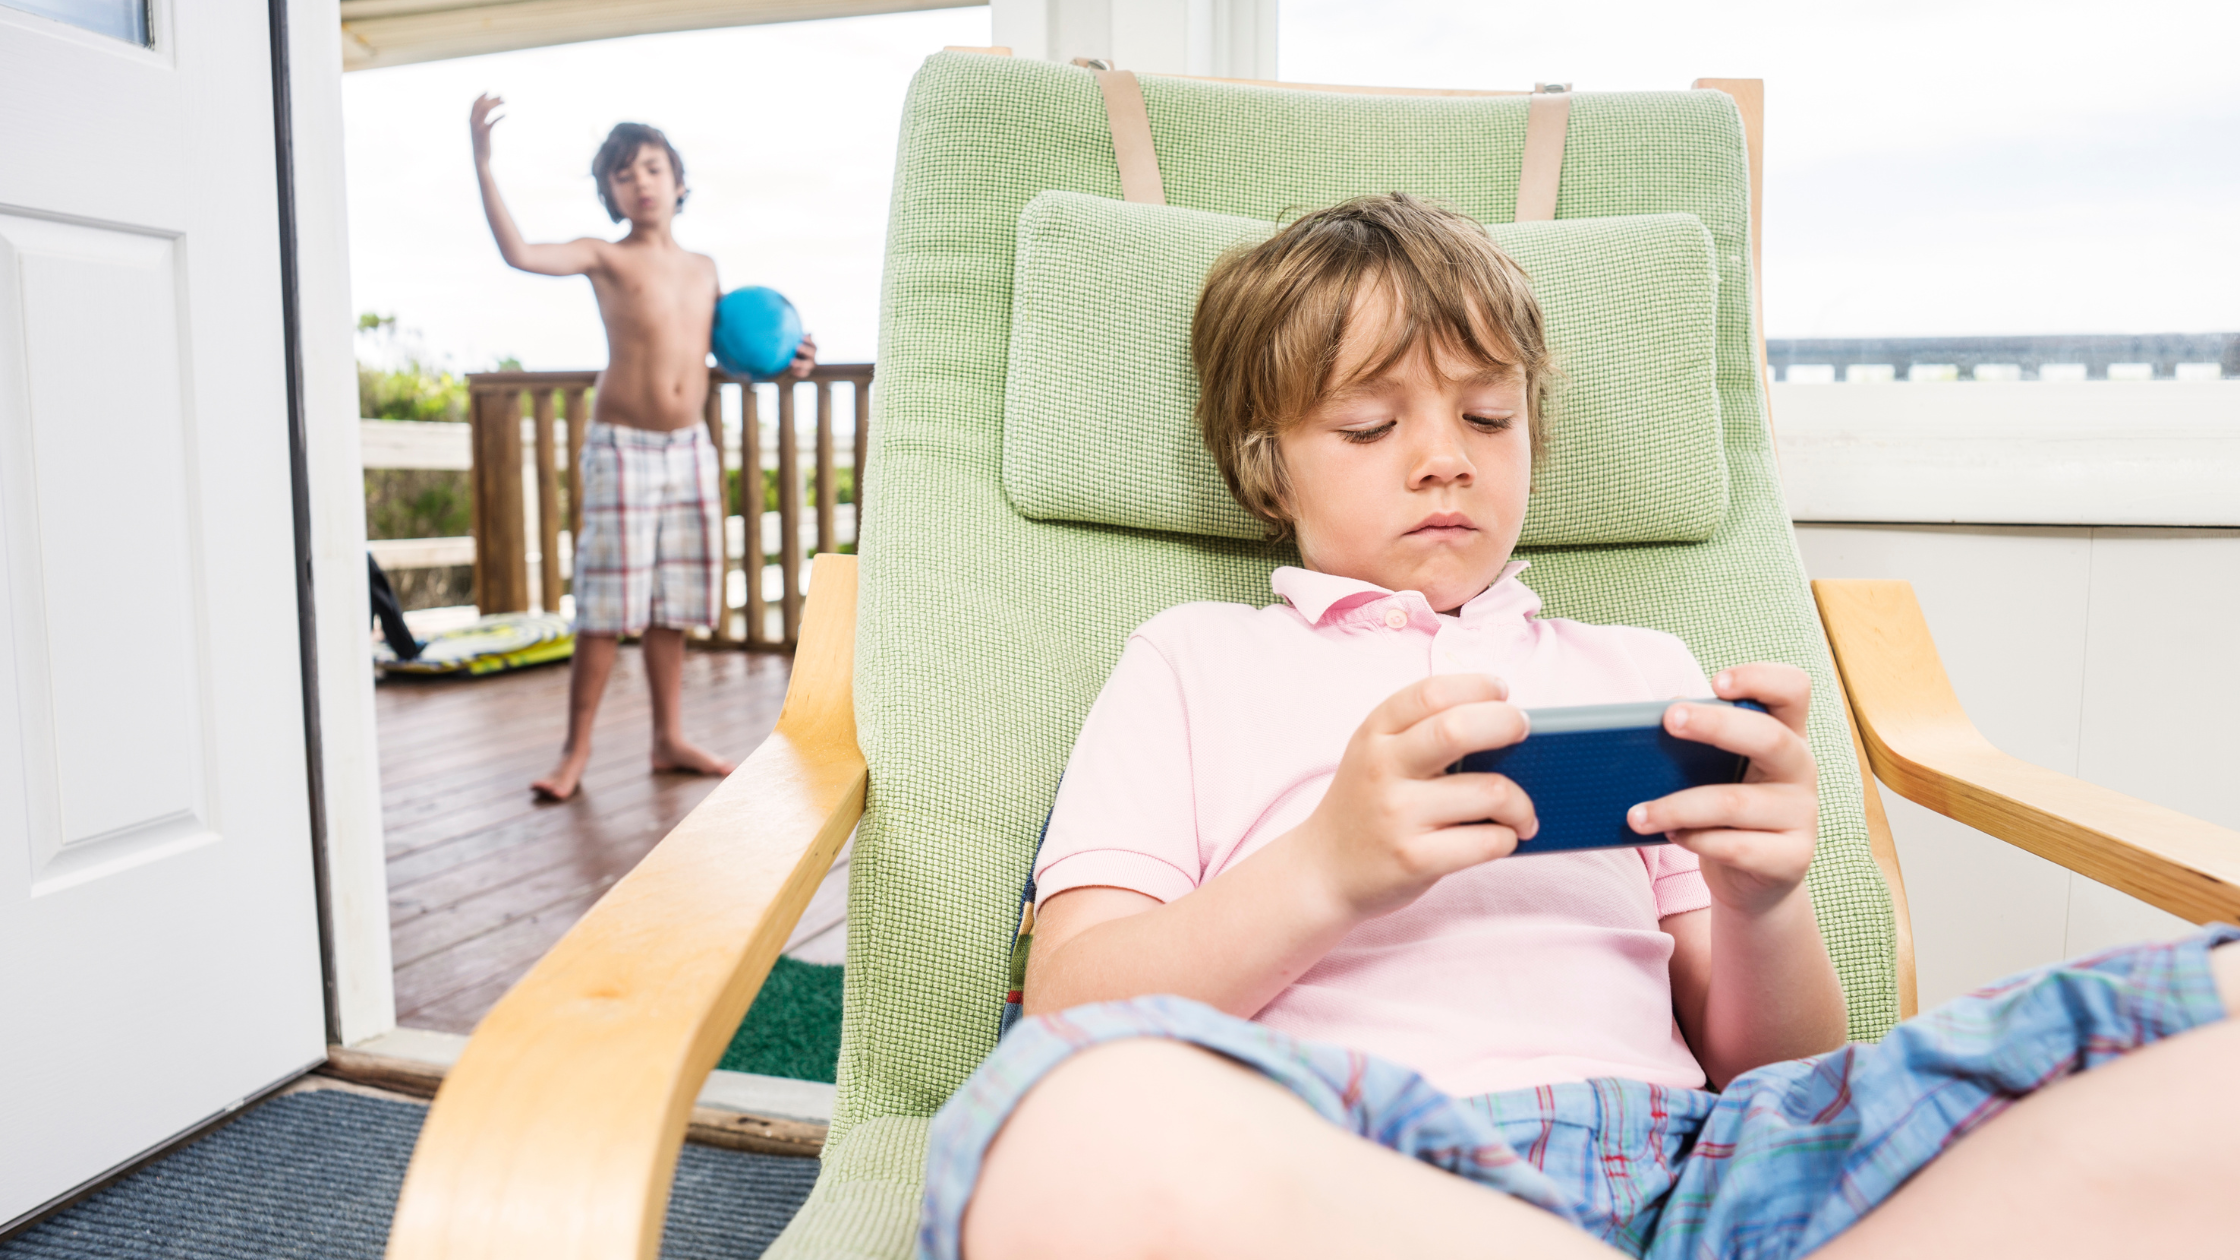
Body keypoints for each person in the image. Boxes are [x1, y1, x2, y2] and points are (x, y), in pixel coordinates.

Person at [924, 195, 2240, 1260]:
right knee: (1075, 1124)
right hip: (1353, 1172)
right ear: (1267, 464)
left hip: (1699, 1174)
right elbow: (1069, 1007)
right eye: (1373, 422)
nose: (1448, 458)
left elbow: (1772, 1072)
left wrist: (1765, 896)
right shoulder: (1191, 662)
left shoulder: (1637, 668)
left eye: (1488, 418)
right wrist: (1324, 870)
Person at [469, 97, 815, 801]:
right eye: (625, 175)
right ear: (611, 195)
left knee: (672, 601)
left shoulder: (706, 268)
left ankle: (669, 737)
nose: (643, 182)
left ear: (679, 181)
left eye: (654, 168)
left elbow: (729, 359)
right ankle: (574, 753)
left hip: (690, 448)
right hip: (623, 448)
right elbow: (520, 254)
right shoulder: (606, 256)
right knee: (606, 605)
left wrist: (789, 363)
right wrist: (483, 164)